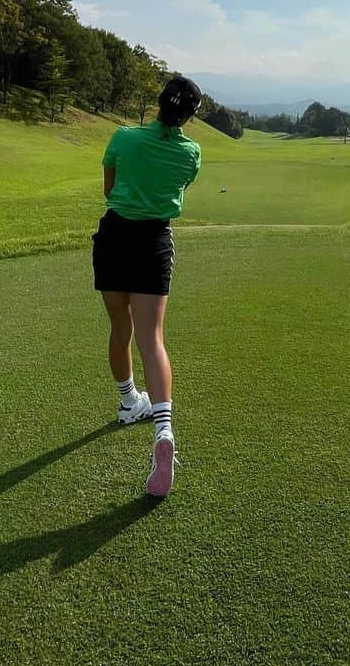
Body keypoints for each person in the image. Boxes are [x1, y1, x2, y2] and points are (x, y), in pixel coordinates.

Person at [92, 76, 203, 497]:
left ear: (157, 102)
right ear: (190, 117)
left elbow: (110, 190)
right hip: (154, 241)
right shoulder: (191, 152)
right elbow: (173, 189)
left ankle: (127, 403)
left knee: (121, 329)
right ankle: (163, 429)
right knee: (152, 339)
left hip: (115, 238)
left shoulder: (122, 137)